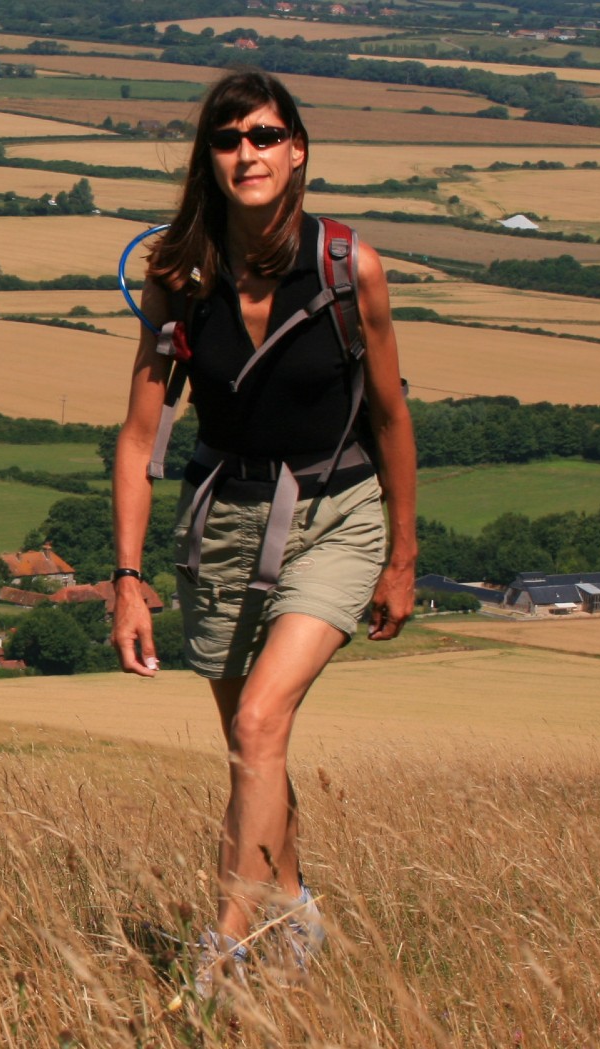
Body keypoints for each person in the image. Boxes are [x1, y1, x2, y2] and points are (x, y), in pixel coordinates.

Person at [106, 69, 419, 986]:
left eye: (267, 134)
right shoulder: (178, 276)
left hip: (337, 514)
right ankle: (298, 916)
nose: (250, 152)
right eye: (230, 137)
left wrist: (402, 557)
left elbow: (393, 417)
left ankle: (226, 944)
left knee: (256, 717)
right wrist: (127, 580)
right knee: (255, 748)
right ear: (209, 158)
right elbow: (136, 439)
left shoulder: (346, 267)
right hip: (223, 522)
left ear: (299, 151)